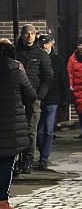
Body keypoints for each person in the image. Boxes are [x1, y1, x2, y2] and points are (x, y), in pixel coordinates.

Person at [0, 38, 37, 209]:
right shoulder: (16, 69)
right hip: (11, 123)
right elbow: (31, 94)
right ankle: (2, 201)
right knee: (7, 164)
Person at [15, 24, 53, 173]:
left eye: (32, 33)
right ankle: (17, 160)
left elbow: (48, 76)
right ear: (22, 35)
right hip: (17, 97)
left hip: (34, 97)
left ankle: (28, 159)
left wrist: (39, 96)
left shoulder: (41, 54)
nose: (29, 36)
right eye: (27, 33)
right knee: (17, 130)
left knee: (31, 130)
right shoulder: (16, 52)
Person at [36, 35, 70, 169]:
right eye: (43, 44)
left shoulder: (58, 60)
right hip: (39, 97)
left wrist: (65, 100)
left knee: (48, 130)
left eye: (47, 43)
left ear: (51, 44)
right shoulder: (37, 58)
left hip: (53, 98)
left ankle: (44, 158)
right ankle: (41, 152)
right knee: (39, 131)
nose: (45, 46)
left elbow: (64, 81)